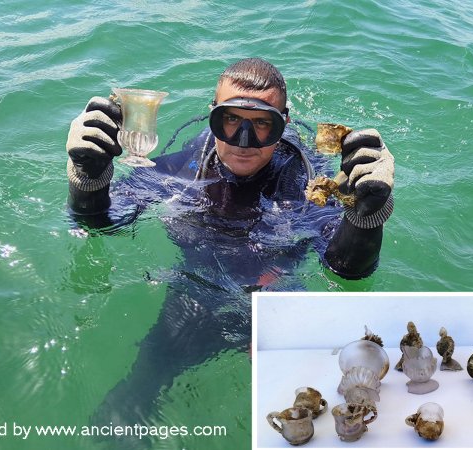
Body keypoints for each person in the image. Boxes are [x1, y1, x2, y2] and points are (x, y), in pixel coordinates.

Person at [65, 58, 394, 440]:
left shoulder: (305, 183)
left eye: (261, 124)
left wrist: (367, 216)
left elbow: (344, 269)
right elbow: (100, 225)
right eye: (231, 120)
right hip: (195, 292)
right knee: (129, 402)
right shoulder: (181, 170)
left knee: (311, 410)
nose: (243, 140)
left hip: (277, 291)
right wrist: (88, 180)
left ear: (283, 125)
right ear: (212, 117)